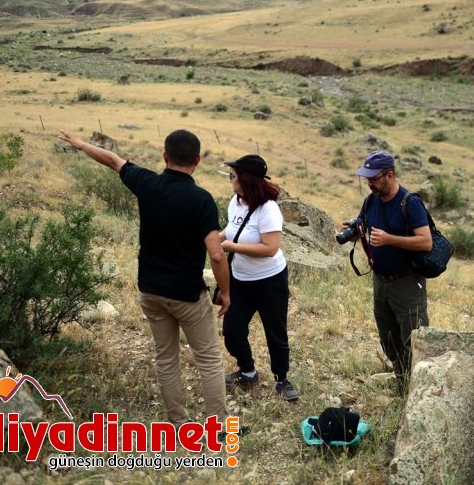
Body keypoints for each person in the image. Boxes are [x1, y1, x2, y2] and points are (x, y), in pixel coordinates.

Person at [56, 128, 231, 423]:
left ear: (165, 156)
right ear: (198, 160)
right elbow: (216, 254)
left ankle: (178, 422)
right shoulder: (202, 200)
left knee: (166, 358)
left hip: (150, 290)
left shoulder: (147, 183)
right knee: (209, 360)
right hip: (187, 294)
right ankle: (220, 425)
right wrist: (225, 292)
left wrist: (81, 144)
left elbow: (113, 160)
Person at [348, 150, 432, 392]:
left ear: (390, 175)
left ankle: (419, 391)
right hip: (380, 281)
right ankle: (402, 383)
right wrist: (355, 230)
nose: (369, 183)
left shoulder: (410, 202)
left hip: (407, 282)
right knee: (389, 338)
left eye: (373, 179)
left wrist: (389, 240)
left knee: (413, 338)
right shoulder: (370, 201)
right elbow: (365, 223)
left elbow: (425, 242)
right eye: (367, 179)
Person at [218, 154, 298, 402]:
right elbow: (231, 230)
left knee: (275, 331)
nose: (230, 178)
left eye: (234, 175)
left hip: (269, 280)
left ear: (247, 179)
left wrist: (231, 247)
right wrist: (213, 240)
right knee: (232, 331)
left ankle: (282, 380)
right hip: (240, 279)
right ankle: (248, 372)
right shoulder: (236, 201)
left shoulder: (269, 209)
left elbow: (269, 248)